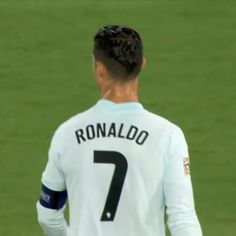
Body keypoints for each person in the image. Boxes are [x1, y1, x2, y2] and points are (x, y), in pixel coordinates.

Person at [36, 25, 202, 236]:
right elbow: (183, 218)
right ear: (142, 65)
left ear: (99, 68)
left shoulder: (67, 134)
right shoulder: (168, 136)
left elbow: (48, 214)